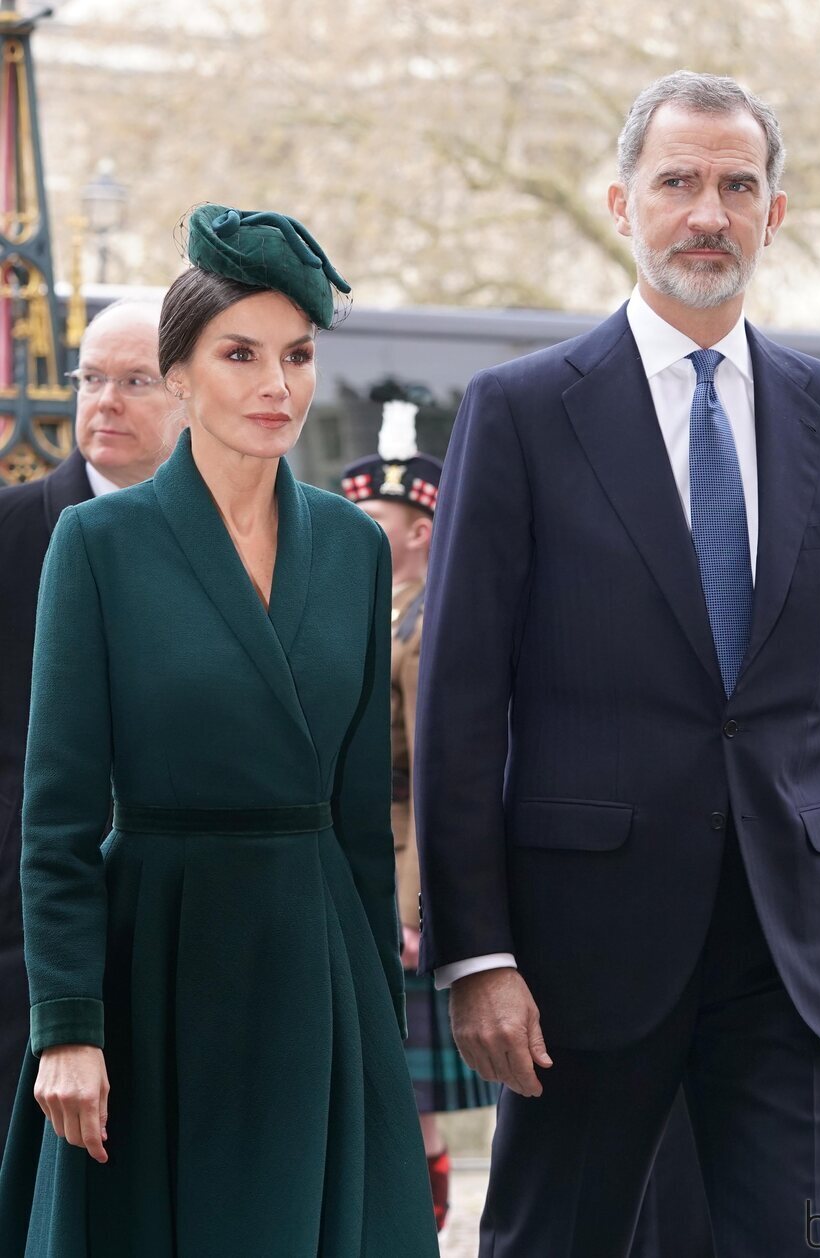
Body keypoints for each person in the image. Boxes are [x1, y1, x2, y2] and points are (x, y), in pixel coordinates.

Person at [414, 71, 820, 1258]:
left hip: (791, 944)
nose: (707, 211)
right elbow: (458, 703)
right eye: (678, 182)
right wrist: (476, 952)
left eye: (736, 185)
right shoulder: (521, 410)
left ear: (773, 213)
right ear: (620, 201)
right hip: (577, 954)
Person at [0, 205, 439, 1257]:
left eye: (295, 354)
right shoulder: (97, 543)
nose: (275, 384)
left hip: (316, 960)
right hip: (156, 954)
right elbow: (56, 814)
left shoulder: (349, 548)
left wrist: (377, 1015)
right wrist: (67, 1022)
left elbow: (359, 828)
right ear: (179, 376)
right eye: (239, 354)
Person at [0, 300, 180, 1148]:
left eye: (133, 381)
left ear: (187, 391)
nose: (104, 401)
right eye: (91, 379)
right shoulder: (11, 533)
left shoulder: (232, 537)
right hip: (24, 926)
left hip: (177, 913)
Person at [341, 399, 498, 1234]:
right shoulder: (391, 609)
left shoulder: (426, 620)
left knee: (413, 1094)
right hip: (382, 855)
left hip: (405, 870)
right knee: (399, 1087)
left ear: (422, 532)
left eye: (376, 518)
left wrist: (412, 905)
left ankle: (422, 1225)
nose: (358, 529)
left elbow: (429, 776)